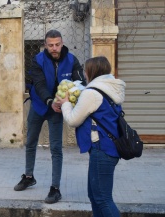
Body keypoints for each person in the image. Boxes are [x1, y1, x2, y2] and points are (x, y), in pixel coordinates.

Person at [14, 29, 86, 204]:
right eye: (51, 45)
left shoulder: (72, 60)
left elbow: (79, 83)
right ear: (45, 45)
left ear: (62, 43)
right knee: (30, 142)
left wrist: (68, 101)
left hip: (58, 110)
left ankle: (55, 188)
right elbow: (38, 83)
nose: (54, 48)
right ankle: (29, 176)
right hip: (39, 105)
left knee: (56, 148)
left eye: (57, 44)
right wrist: (49, 100)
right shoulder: (37, 60)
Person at [55, 56, 124, 216]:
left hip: (102, 150)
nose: (83, 74)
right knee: (94, 196)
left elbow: (73, 120)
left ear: (91, 71)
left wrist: (65, 102)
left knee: (103, 199)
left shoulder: (92, 93)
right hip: (108, 148)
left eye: (85, 70)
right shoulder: (109, 89)